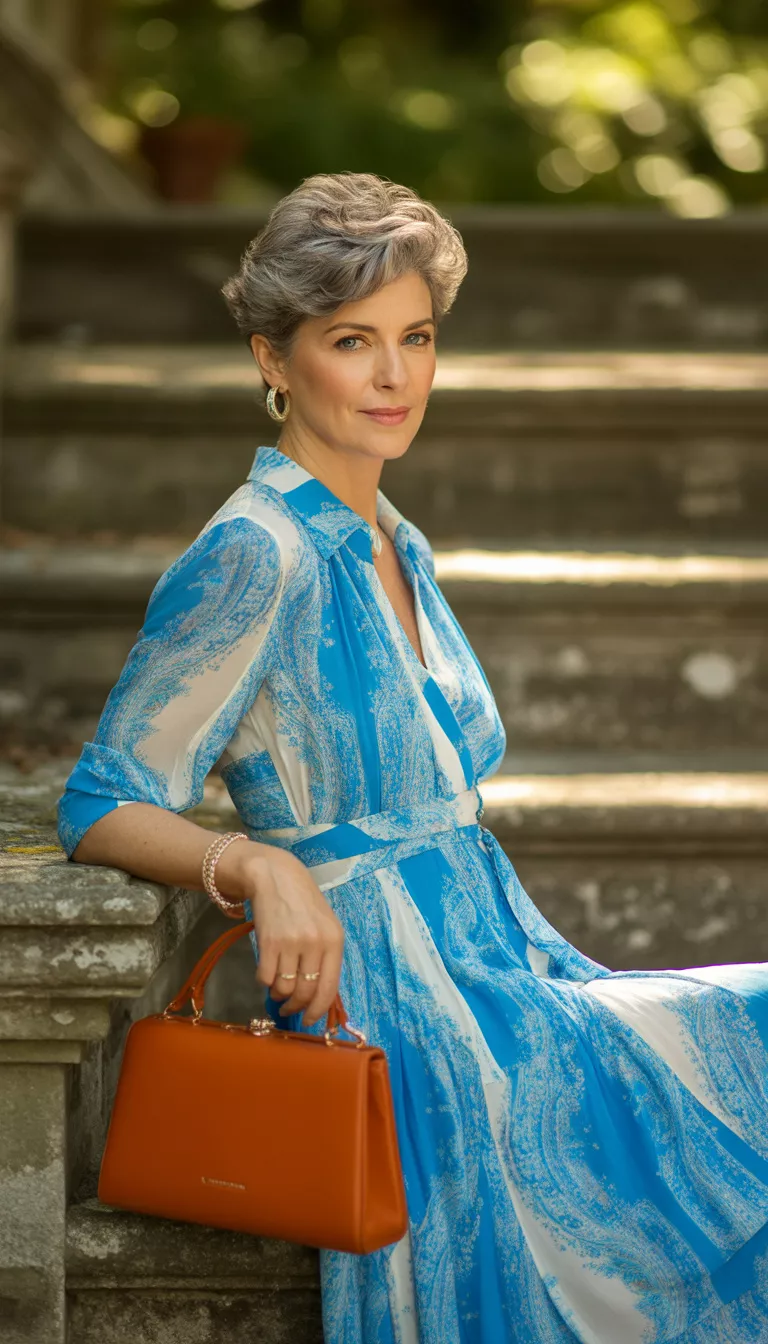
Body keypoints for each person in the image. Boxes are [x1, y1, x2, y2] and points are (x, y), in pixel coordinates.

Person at [57, 172, 768, 1343]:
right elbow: (102, 800)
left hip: (507, 973)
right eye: (353, 342)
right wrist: (260, 867)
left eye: (417, 337)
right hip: (411, 1024)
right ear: (274, 358)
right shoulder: (256, 553)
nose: (395, 376)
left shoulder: (393, 536)